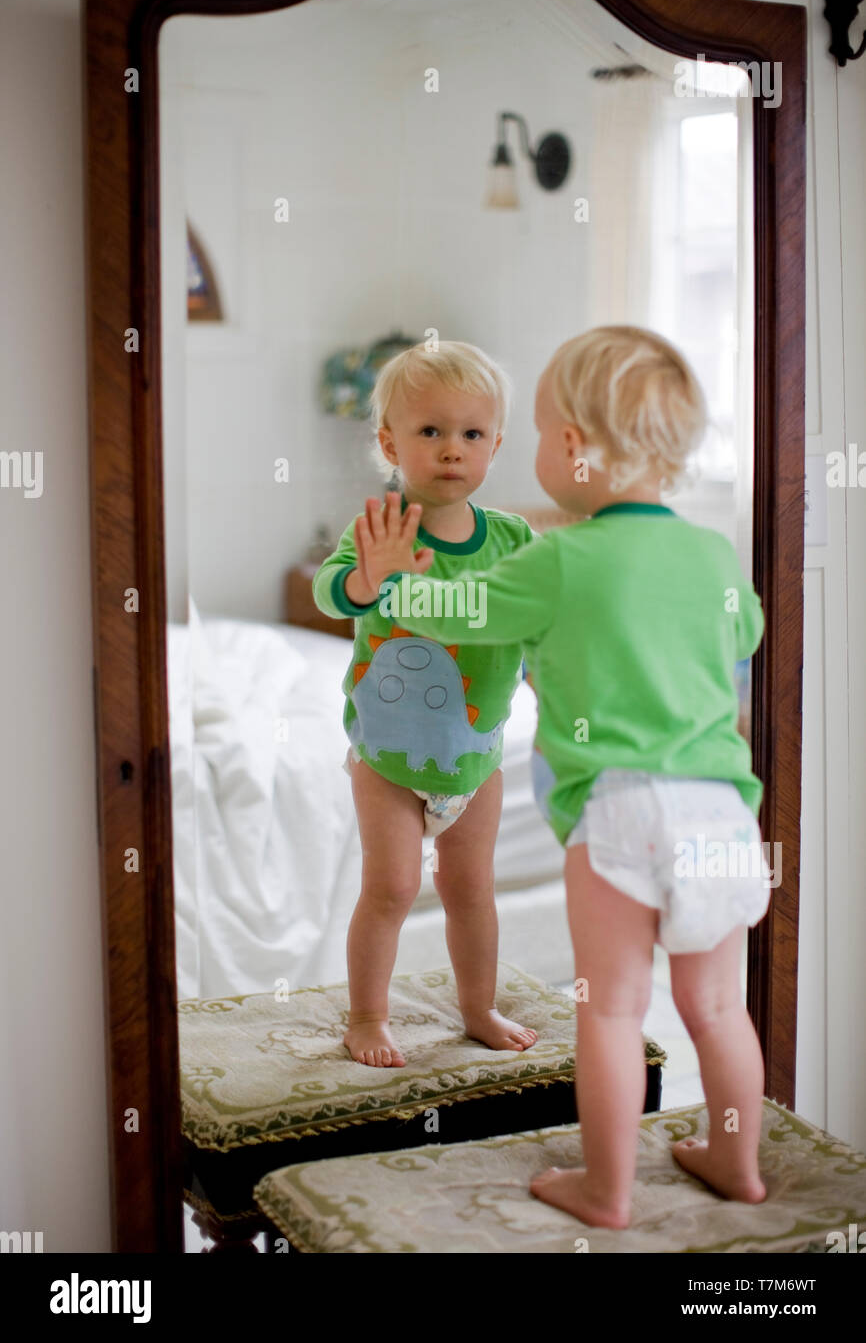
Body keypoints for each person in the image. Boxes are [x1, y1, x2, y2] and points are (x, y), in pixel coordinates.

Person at [356, 325, 771, 1225]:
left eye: (536, 433)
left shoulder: (557, 558)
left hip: (622, 813)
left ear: (576, 448)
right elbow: (744, 637)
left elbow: (458, 613)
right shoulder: (713, 557)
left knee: (615, 1011)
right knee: (718, 1007)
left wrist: (391, 581)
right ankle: (738, 1163)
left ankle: (606, 1189)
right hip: (724, 818)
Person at [313, 341, 539, 1068]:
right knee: (394, 887)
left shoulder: (512, 540)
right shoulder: (380, 531)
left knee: (473, 889)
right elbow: (331, 591)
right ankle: (367, 1017)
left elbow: (535, 627)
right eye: (430, 432)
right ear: (389, 443)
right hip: (387, 758)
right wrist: (368, 579)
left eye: (471, 434)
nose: (452, 450)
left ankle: (477, 1007)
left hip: (476, 758)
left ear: (495, 445)